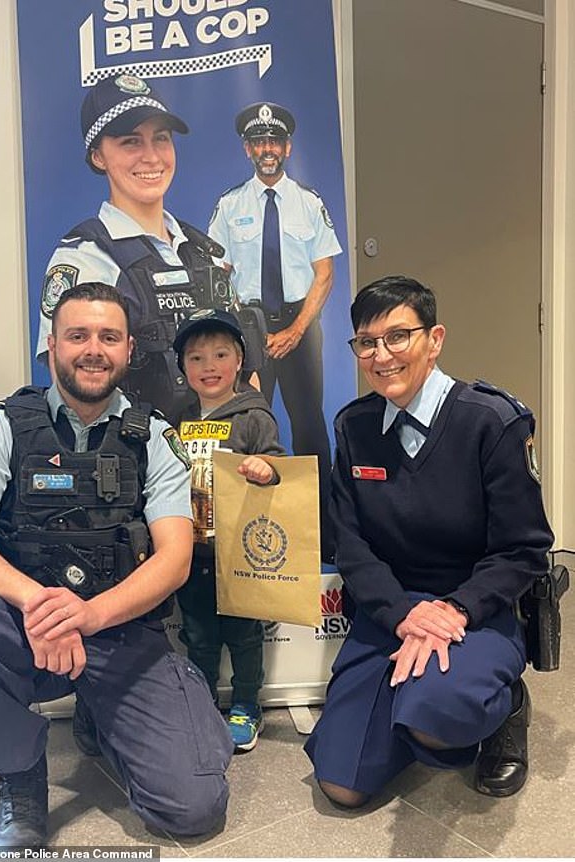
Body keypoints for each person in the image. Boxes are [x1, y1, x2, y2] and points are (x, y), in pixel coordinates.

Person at [0, 283, 234, 849]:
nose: (92, 348)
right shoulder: (4, 427)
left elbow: (173, 558)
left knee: (194, 808)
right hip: (27, 630)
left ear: (127, 352)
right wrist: (41, 606)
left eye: (108, 337)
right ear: (51, 346)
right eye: (77, 335)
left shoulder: (153, 438)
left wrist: (89, 616)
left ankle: (114, 716)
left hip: (122, 634)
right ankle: (21, 778)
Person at [305, 275, 554, 806]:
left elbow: (524, 548)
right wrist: (401, 614)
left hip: (472, 610)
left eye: (398, 336)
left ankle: (504, 704)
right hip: (392, 610)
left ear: (434, 339)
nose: (382, 355)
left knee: (436, 717)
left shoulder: (492, 422)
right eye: (367, 342)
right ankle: (407, 709)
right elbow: (349, 544)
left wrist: (456, 611)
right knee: (341, 786)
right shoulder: (355, 427)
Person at [36, 73, 241, 418]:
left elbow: (244, 371)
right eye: (131, 142)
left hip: (218, 460)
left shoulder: (202, 250)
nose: (151, 157)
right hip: (138, 462)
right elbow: (71, 392)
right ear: (98, 156)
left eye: (161, 139)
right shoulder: (86, 259)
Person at [207, 102, 342, 561]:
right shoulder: (230, 206)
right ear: (248, 149)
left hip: (301, 327)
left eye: (274, 141)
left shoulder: (309, 203)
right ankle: (252, 534)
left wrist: (296, 330)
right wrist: (244, 335)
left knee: (309, 428)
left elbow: (324, 274)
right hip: (250, 331)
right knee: (248, 429)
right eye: (258, 142)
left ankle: (322, 533)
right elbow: (217, 273)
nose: (267, 149)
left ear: (287, 147)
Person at [172, 308, 286, 752]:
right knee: (197, 635)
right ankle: (201, 702)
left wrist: (266, 466)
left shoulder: (256, 416)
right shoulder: (178, 421)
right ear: (183, 368)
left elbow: (280, 467)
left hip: (240, 552)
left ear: (239, 361)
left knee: (243, 635)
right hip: (193, 551)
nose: (209, 366)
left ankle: (246, 705)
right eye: (196, 358)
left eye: (220, 354)